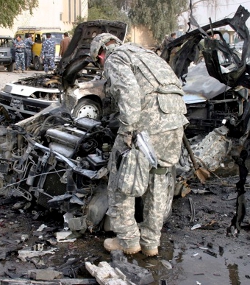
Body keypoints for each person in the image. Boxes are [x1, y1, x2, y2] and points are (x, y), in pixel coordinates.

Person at [90, 33, 188, 256]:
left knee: (121, 178)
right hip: (175, 122)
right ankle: (151, 243)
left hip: (148, 125)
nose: (101, 66)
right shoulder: (146, 55)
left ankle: (128, 241)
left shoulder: (116, 58)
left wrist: (126, 131)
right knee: (159, 179)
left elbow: (130, 94)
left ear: (101, 52)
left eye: (98, 61)